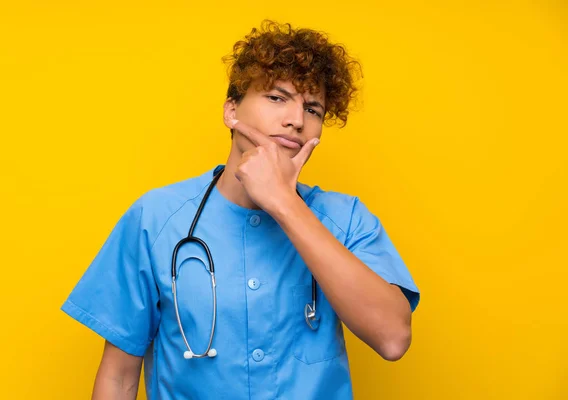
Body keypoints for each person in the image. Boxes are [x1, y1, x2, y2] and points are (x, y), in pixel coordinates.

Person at [61, 20, 421, 400]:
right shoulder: (155, 218)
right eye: (277, 98)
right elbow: (118, 377)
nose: (296, 120)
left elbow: (393, 338)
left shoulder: (346, 219)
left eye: (312, 108)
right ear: (231, 111)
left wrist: (284, 203)